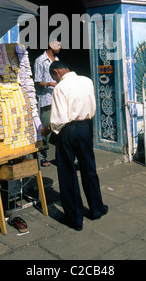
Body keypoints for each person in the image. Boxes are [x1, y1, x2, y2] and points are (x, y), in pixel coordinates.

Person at [42, 61, 108, 231]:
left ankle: (75, 217)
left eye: (53, 76)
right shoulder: (87, 81)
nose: (55, 79)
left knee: (67, 173)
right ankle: (97, 209)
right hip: (86, 127)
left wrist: (49, 130)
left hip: (68, 131)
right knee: (89, 169)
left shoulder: (60, 88)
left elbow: (59, 118)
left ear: (56, 72)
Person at [34, 39, 61, 166]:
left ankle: (61, 155)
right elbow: (37, 81)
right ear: (50, 44)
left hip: (58, 98)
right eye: (58, 45)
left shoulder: (57, 60)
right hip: (46, 99)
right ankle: (41, 156)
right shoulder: (40, 61)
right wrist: (50, 83)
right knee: (45, 128)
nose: (60, 47)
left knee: (61, 126)